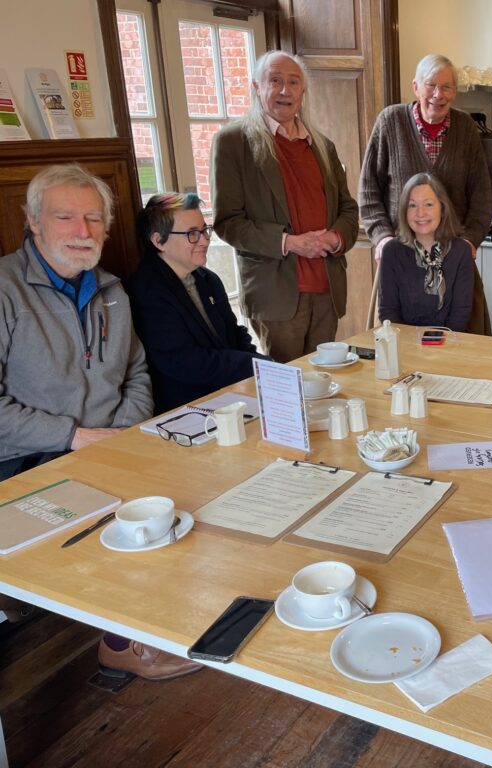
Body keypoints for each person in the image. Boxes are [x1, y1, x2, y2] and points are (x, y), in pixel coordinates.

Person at [0, 164, 199, 681]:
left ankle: (167, 616)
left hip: (111, 441)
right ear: (33, 222)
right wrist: (77, 438)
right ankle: (122, 642)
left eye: (93, 218)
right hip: (30, 458)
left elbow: (135, 368)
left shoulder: (111, 288)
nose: (82, 231)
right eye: (66, 217)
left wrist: (126, 437)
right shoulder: (4, 290)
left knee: (196, 487)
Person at [212, 50, 359, 363]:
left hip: (326, 288)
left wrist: (335, 238)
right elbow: (228, 222)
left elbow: (348, 209)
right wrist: (290, 242)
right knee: (287, 387)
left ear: (303, 91)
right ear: (256, 86)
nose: (284, 90)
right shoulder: (233, 142)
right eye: (274, 81)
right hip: (275, 295)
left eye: (293, 82)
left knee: (324, 378)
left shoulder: (321, 145)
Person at [359, 53, 492, 332]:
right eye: (431, 85)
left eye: (446, 87)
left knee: (462, 343)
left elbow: (481, 195)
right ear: (416, 87)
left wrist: (469, 242)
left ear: (455, 92)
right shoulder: (390, 122)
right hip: (401, 260)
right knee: (393, 343)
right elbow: (369, 190)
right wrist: (382, 238)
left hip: (454, 261)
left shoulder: (466, 129)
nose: (438, 94)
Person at [129, 192, 268, 413]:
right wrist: (257, 366)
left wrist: (261, 367)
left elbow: (235, 333)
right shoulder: (146, 291)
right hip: (188, 409)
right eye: (192, 234)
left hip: (230, 395)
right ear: (158, 241)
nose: (204, 240)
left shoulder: (208, 279)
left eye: (204, 230)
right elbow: (184, 362)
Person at [377, 173, 474, 331]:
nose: (420, 213)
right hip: (404, 344)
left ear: (442, 209)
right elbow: (388, 311)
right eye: (412, 205)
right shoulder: (392, 252)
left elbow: (460, 314)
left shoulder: (461, 251)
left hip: (449, 344)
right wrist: (411, 345)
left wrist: (436, 344)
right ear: (404, 211)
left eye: (428, 204)